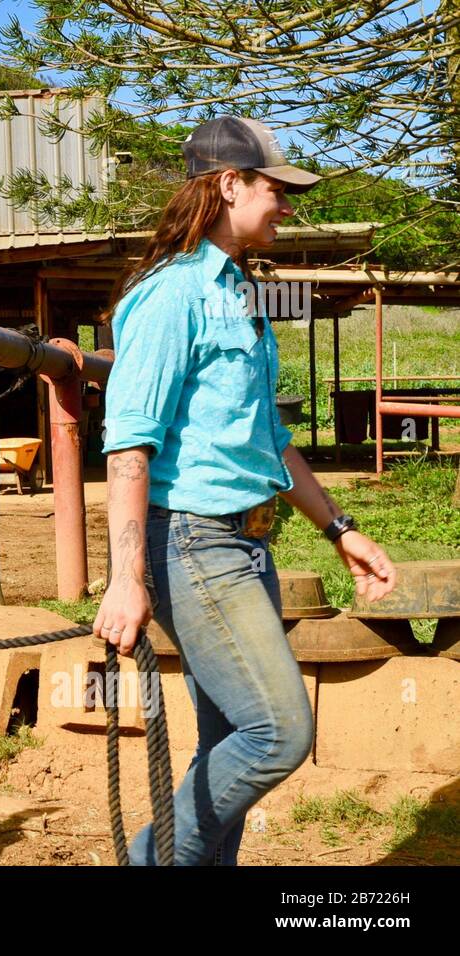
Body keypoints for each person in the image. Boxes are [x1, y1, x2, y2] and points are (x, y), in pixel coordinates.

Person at [93, 116, 399, 866]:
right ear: (230, 185)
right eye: (275, 190)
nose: (286, 208)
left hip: (245, 541)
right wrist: (125, 578)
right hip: (195, 541)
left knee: (233, 738)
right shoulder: (171, 297)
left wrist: (341, 530)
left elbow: (270, 441)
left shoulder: (241, 297)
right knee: (278, 732)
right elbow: (130, 445)